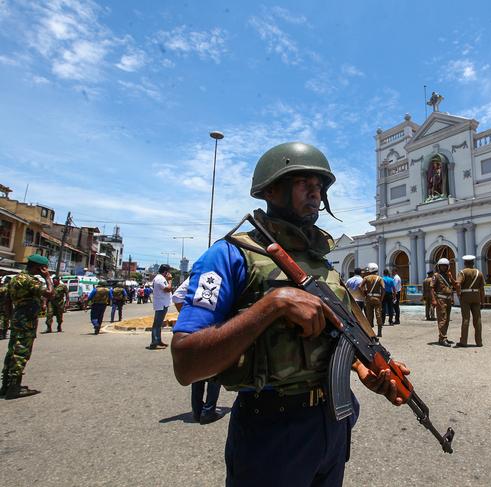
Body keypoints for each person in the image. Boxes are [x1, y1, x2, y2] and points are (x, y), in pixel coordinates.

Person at [170, 142, 409, 486]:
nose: (315, 194)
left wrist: (362, 367)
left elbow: (334, 335)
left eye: (320, 187)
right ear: (270, 189)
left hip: (332, 423)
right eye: (304, 184)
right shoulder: (229, 256)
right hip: (271, 432)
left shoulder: (321, 263)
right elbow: (186, 363)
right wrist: (274, 304)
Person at [0, 254, 53, 399]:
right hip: (27, 320)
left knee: (12, 351)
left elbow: (7, 302)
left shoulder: (14, 279)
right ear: (39, 267)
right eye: (44, 268)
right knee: (21, 352)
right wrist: (48, 277)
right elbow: (50, 293)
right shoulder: (30, 281)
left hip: (17, 318)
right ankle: (14, 388)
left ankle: (6, 385)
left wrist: (11, 318)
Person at [173, 278, 222, 424]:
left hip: (195, 328)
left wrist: (187, 317)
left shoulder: (196, 277)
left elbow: (177, 296)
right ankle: (208, 411)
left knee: (199, 370)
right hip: (213, 327)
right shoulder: (215, 274)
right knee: (215, 371)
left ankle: (197, 410)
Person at [455, 255, 485, 347]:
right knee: (478, 319)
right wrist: (482, 301)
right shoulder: (479, 273)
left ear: (465, 263)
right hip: (476, 296)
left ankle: (464, 341)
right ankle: (479, 341)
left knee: (466, 319)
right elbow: (482, 289)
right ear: (473, 262)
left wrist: (459, 293)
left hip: (466, 296)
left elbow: (457, 284)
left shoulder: (462, 272)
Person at [430, 258, 455, 347]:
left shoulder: (448, 276)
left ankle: (444, 336)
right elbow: (432, 288)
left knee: (447, 319)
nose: (444, 267)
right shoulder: (436, 275)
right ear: (439, 266)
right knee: (442, 319)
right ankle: (442, 338)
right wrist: (433, 300)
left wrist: (452, 298)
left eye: (445, 266)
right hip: (441, 300)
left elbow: (453, 286)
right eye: (442, 266)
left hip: (448, 299)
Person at [149, 264, 172, 350]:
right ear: (165, 272)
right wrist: (170, 281)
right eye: (168, 272)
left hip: (162, 303)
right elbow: (168, 289)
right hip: (161, 304)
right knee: (157, 324)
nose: (169, 274)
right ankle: (154, 342)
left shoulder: (160, 278)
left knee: (158, 324)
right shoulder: (160, 279)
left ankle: (158, 340)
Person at [361, 263, 385, 336]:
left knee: (369, 315)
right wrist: (381, 298)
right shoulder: (379, 278)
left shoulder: (366, 278)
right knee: (378, 314)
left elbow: (360, 286)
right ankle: (379, 332)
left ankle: (370, 331)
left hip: (369, 298)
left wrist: (364, 293)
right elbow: (383, 288)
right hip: (377, 298)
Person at [0, 275, 13, 340]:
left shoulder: (6, 287)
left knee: (3, 320)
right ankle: (3, 333)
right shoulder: (10, 287)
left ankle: (2, 334)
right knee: (6, 319)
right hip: (7, 306)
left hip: (3, 306)